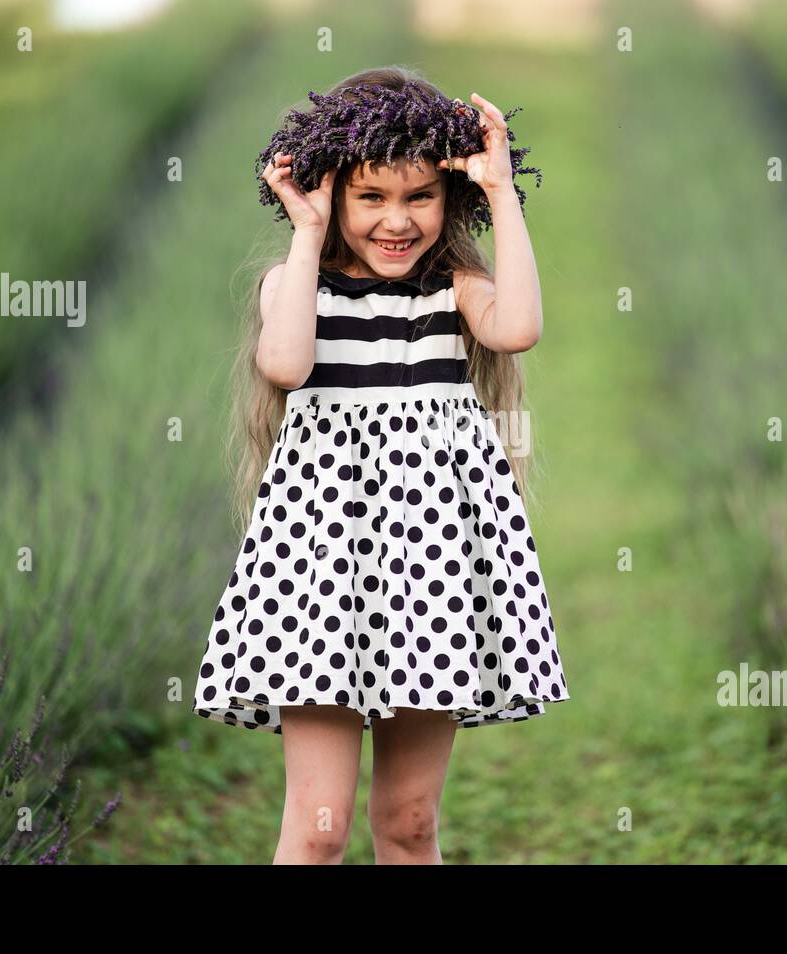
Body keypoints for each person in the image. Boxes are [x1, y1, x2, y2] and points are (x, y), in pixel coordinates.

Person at [192, 66, 570, 864]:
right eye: (371, 197)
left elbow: (522, 326)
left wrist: (503, 194)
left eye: (420, 197)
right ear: (333, 196)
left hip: (436, 566)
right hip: (320, 569)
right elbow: (288, 365)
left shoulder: (454, 288)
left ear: (449, 199)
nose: (396, 221)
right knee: (319, 824)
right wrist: (304, 234)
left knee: (409, 824)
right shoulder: (293, 285)